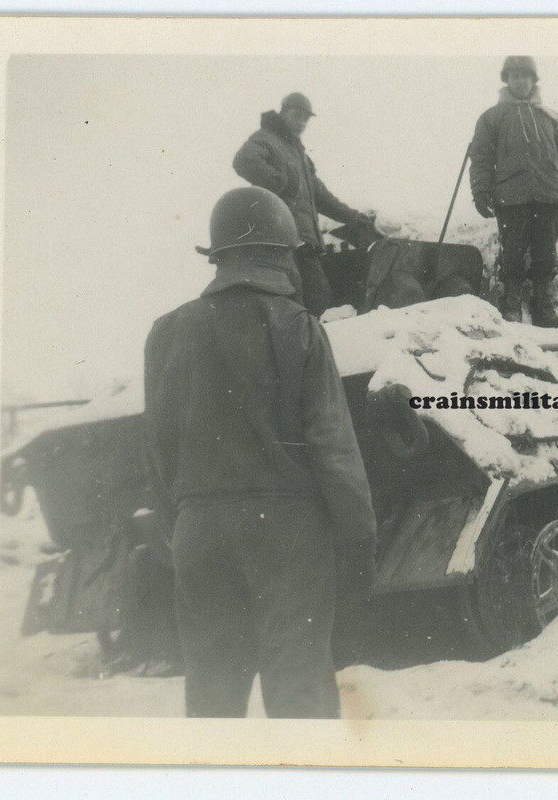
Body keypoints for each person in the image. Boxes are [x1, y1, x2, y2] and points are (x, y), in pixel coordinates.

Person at [144, 186, 378, 718]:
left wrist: (179, 527)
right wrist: (359, 543)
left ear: (219, 256)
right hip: (288, 533)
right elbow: (334, 451)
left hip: (196, 532)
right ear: (280, 253)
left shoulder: (165, 333)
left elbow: (155, 452)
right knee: (298, 692)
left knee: (211, 696)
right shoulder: (298, 328)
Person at [469, 56, 558, 327]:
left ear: (533, 81)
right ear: (507, 80)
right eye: (515, 76)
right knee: (512, 253)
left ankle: (543, 309)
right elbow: (481, 158)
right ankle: (511, 306)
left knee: (546, 254)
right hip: (511, 196)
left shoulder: (551, 117)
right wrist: (480, 191)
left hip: (549, 194)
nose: (520, 81)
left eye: (525, 76)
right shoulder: (492, 118)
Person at [233, 91, 376, 316]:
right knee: (297, 296)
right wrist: (279, 182)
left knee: (317, 294)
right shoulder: (266, 137)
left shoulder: (299, 154)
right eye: (296, 115)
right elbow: (243, 161)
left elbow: (321, 197)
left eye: (305, 119)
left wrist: (353, 217)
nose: (301, 123)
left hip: (305, 240)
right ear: (283, 112)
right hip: (280, 236)